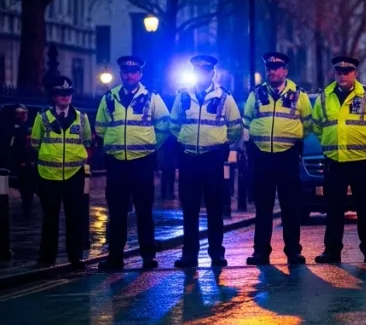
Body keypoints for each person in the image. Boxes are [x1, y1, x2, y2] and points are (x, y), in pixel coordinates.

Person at [96, 55, 171, 271]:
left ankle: (148, 256)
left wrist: (151, 145)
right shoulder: (109, 98)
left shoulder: (151, 97)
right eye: (126, 72)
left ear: (140, 74)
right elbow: (100, 128)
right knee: (117, 212)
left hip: (142, 162)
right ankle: (115, 257)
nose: (130, 75)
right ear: (121, 74)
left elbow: (164, 125)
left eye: (134, 72)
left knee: (144, 211)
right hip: (117, 163)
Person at [312, 56, 366, 264]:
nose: (342, 76)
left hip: (360, 161)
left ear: (355, 73)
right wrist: (331, 142)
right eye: (339, 72)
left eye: (346, 72)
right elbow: (317, 126)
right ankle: (332, 251)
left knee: (364, 208)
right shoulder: (324, 97)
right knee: (334, 208)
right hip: (334, 161)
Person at [169, 55, 242, 268]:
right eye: (198, 72)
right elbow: (174, 125)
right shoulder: (183, 96)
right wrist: (184, 143)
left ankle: (216, 253)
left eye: (205, 72)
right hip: (189, 159)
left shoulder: (224, 97)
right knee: (189, 209)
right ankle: (189, 254)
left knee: (214, 209)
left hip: (212, 160)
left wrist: (220, 146)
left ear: (212, 74)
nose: (201, 75)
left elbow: (236, 127)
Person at [244, 52, 313, 265]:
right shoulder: (256, 94)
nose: (272, 72)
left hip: (287, 157)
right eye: (269, 68)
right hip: (262, 157)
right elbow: (246, 123)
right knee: (263, 207)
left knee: (290, 206)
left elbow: (308, 125)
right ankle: (260, 252)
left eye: (276, 68)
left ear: (285, 71)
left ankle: (293, 251)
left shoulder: (299, 95)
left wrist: (294, 143)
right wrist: (253, 148)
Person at [31, 76, 91, 269]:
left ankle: (75, 256)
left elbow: (88, 142)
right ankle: (47, 256)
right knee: (50, 217)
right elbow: (35, 142)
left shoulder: (82, 117)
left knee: (75, 216)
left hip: (74, 174)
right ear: (54, 96)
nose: (65, 97)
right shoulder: (43, 117)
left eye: (68, 94)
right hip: (48, 174)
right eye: (61, 94)